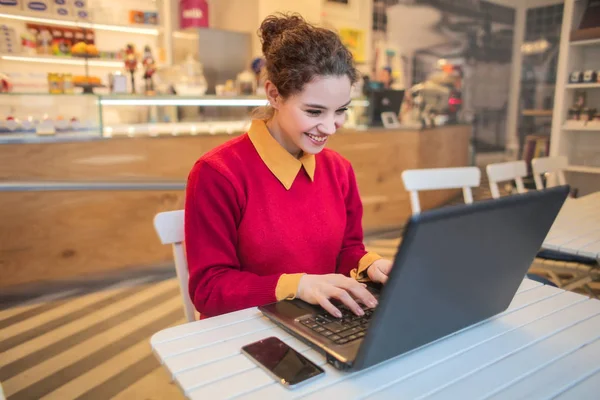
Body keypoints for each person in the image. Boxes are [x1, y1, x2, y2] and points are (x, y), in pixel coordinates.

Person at [185, 13, 393, 319]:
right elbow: (210, 290)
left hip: (319, 322)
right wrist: (298, 286)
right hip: (246, 331)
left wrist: (370, 265)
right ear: (274, 95)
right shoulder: (218, 173)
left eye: (341, 111)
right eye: (313, 111)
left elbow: (347, 251)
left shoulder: (339, 169)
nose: (330, 127)